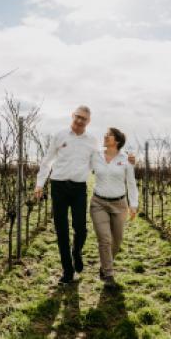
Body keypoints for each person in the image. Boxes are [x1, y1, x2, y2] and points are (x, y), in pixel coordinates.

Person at [34, 106, 135, 285]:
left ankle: (76, 251)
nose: (80, 121)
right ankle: (67, 270)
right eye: (78, 117)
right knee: (61, 229)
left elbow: (107, 157)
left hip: (79, 188)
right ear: (72, 116)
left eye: (84, 119)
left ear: (88, 122)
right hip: (58, 186)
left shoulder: (92, 142)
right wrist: (39, 184)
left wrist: (129, 159)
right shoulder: (59, 135)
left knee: (81, 229)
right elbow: (47, 160)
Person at [90, 127, 138, 288]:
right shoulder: (95, 156)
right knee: (105, 239)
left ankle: (104, 266)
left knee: (116, 241)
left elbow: (131, 183)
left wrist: (133, 204)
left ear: (117, 141)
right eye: (105, 134)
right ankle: (109, 274)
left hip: (119, 204)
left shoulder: (126, 159)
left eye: (109, 135)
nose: (105, 136)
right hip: (98, 203)